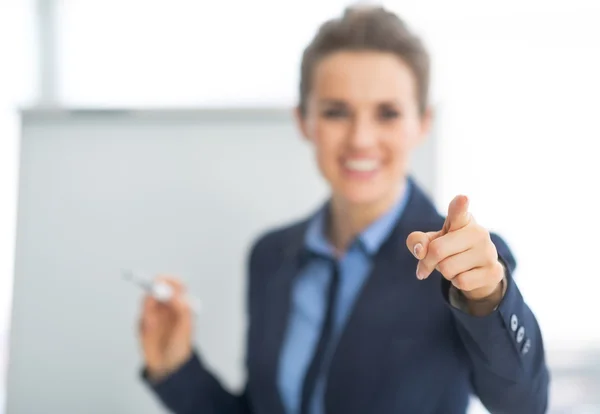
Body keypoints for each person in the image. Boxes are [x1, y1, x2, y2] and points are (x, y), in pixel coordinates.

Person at [137, 5, 550, 414]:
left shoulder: (464, 263)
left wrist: (486, 298)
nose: (361, 139)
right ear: (304, 121)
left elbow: (525, 404)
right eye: (336, 112)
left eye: (387, 113)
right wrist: (175, 368)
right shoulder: (270, 256)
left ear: (423, 123)